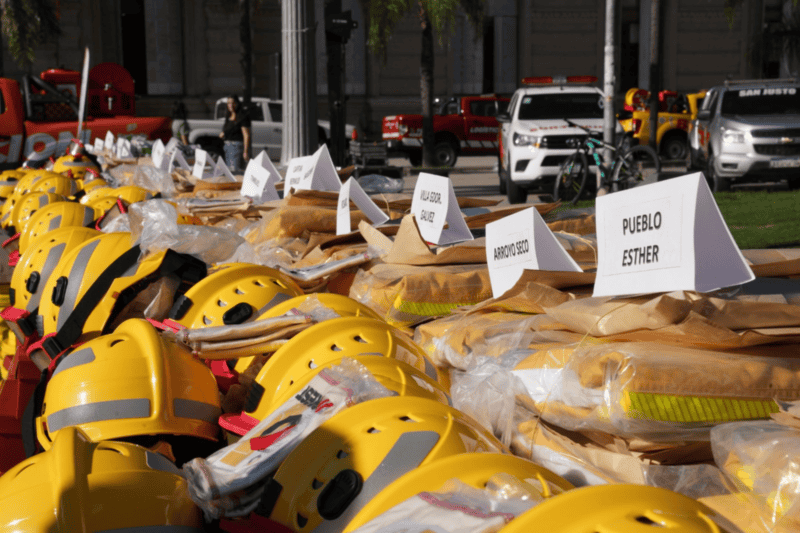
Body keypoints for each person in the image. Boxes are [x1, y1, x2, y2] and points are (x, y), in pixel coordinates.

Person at [218, 95, 251, 172]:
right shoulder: (228, 116)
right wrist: (224, 133)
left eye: (233, 103)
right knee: (228, 172)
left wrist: (245, 152)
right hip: (226, 147)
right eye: (229, 103)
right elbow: (230, 129)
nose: (231, 105)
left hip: (236, 147)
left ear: (237, 104)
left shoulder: (242, 116)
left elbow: (246, 135)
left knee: (235, 172)